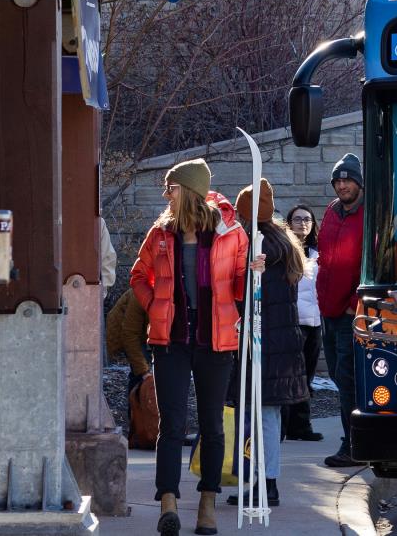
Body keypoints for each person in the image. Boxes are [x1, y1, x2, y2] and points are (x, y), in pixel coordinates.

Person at [130, 158, 250, 536]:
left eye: (172, 187)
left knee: (213, 426)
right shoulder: (161, 233)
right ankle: (168, 501)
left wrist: (254, 273)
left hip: (216, 342)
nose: (166, 194)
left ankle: (208, 502)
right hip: (172, 342)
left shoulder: (231, 233)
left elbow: (241, 284)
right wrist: (155, 306)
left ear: (190, 191)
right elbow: (138, 274)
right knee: (172, 425)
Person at [227, 180, 308, 509]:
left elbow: (249, 298)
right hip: (281, 342)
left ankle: (265, 483)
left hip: (265, 343)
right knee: (268, 416)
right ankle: (265, 481)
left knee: (262, 417)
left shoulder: (258, 248)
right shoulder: (282, 242)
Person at [316, 153, 365, 468]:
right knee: (336, 374)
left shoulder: (369, 214)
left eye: (347, 179)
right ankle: (358, 440)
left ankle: (354, 446)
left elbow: (369, 264)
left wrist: (352, 306)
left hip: (350, 313)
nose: (342, 184)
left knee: (347, 380)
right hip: (327, 312)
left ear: (358, 182)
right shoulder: (332, 212)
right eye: (338, 180)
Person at [280, 204, 323, 443]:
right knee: (289, 376)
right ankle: (283, 426)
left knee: (307, 376)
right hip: (291, 322)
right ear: (289, 222)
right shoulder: (284, 250)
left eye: (307, 219)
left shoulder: (319, 253)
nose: (303, 223)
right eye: (297, 219)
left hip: (314, 323)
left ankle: (301, 426)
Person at [106, 288, 151, 388]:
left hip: (144, 332)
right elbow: (129, 335)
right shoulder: (138, 296)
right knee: (139, 372)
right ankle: (136, 400)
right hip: (124, 330)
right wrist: (143, 372)